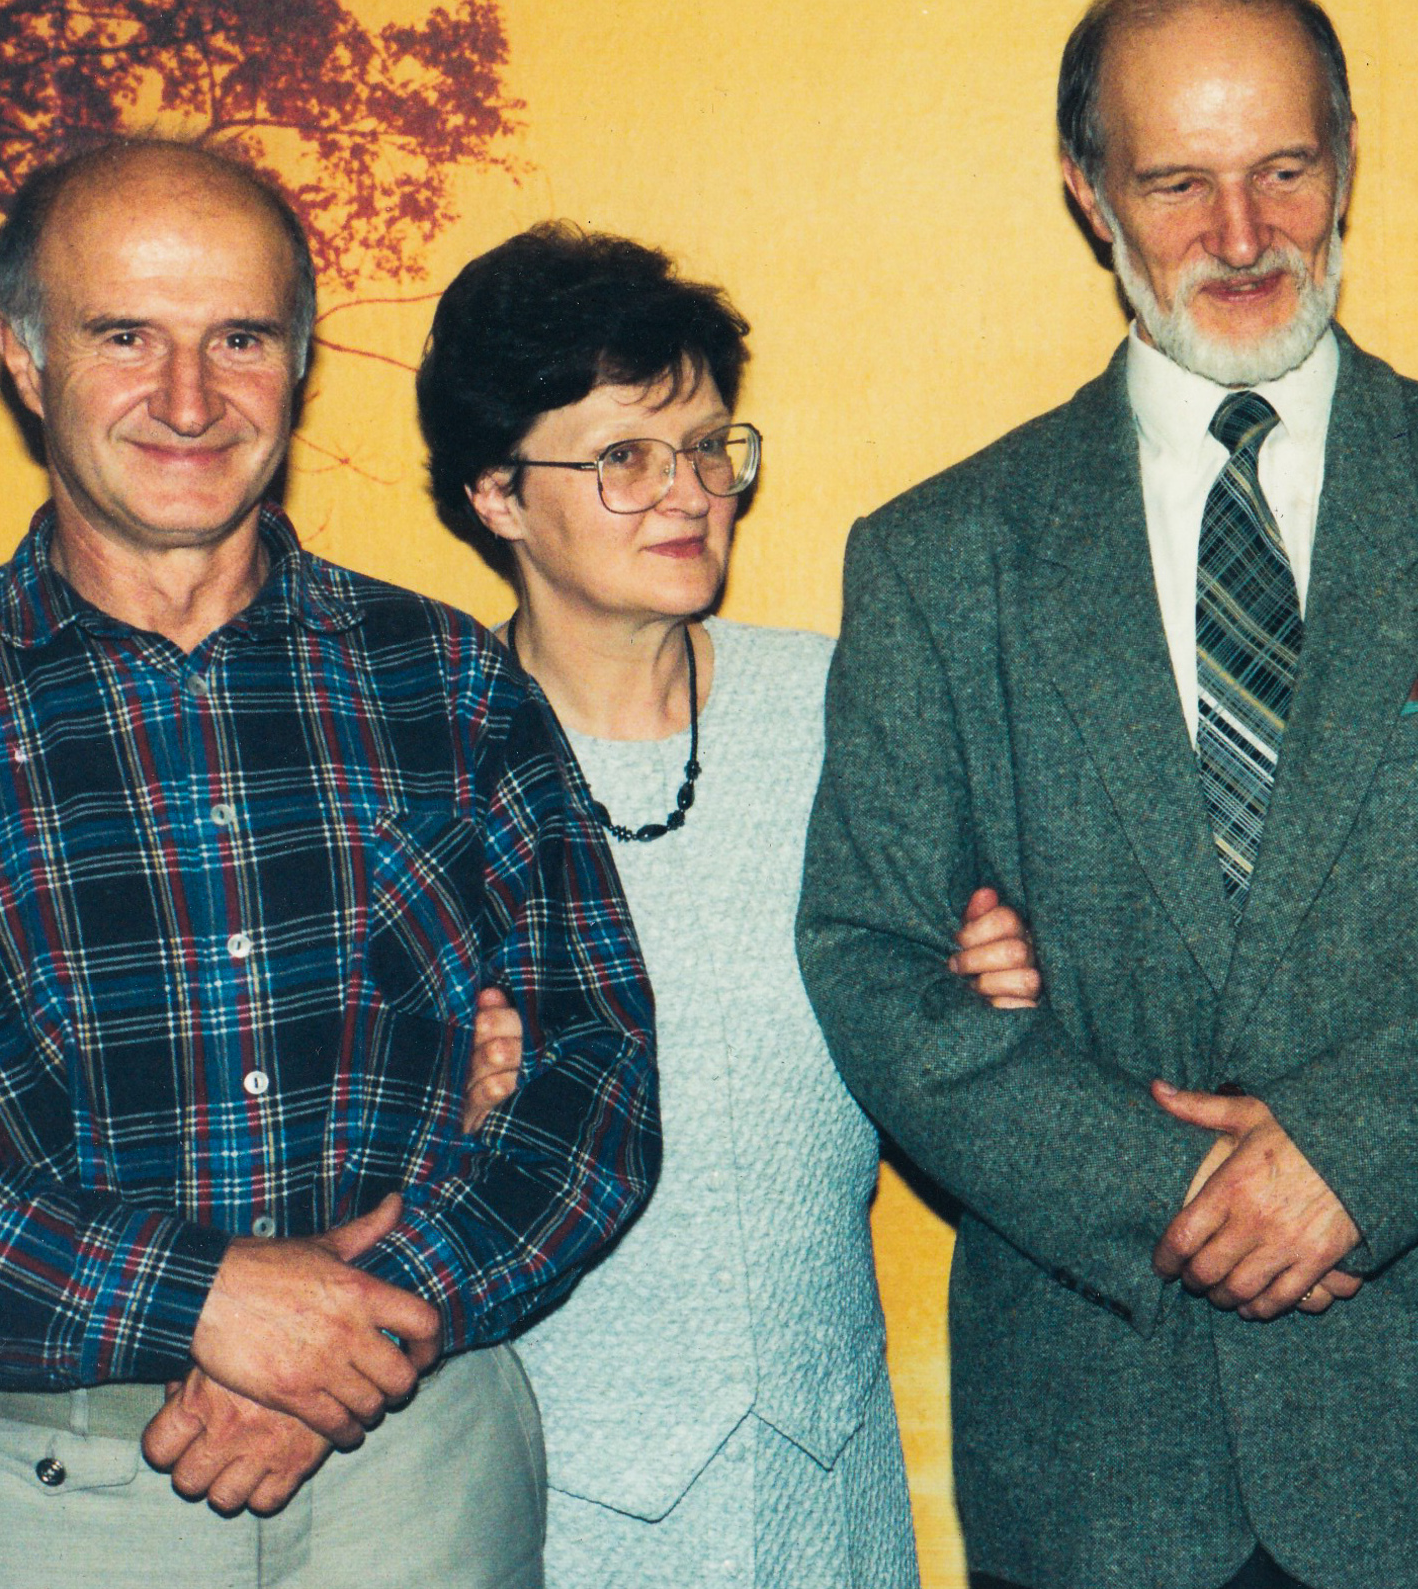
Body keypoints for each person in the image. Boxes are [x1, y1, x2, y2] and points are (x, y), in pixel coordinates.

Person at [795, 0, 1418, 1589]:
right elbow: (871, 957)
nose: (1241, 232)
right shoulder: (939, 559)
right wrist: (1178, 1191)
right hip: (1101, 1469)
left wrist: (1355, 1156)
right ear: (1088, 192)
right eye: (1175, 183)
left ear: (1347, 158)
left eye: (1285, 168)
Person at [0, 141, 662, 1586]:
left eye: (240, 338)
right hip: (51, 1493)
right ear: (25, 358)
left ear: (301, 361)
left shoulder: (448, 679)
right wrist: (204, 1298)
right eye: (124, 336)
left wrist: (361, 1318)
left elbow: (597, 1069)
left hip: (422, 1463)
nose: (189, 398)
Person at [421, 223, 1042, 1589]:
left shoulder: (843, 707)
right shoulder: (421, 761)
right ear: (496, 493)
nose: (690, 492)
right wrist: (421, 1105)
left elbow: (959, 1050)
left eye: (709, 447)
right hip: (538, 1497)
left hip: (829, 1479)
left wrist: (987, 984)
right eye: (625, 457)